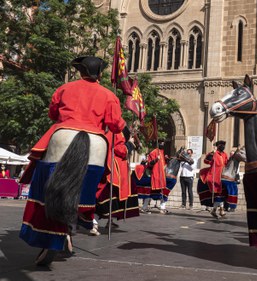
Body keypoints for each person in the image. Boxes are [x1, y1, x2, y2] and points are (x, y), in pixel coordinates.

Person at [19, 56, 126, 261]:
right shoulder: (108, 95)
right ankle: (78, 219)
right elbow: (115, 124)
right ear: (100, 74)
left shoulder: (64, 88)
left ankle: (50, 236)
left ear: (80, 72)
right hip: (96, 141)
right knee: (88, 187)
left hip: (63, 133)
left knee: (46, 183)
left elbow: (53, 113)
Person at [95, 128, 139, 234]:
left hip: (120, 169)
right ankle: (94, 222)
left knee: (115, 198)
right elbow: (120, 149)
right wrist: (129, 144)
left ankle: (110, 220)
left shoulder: (112, 131)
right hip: (115, 169)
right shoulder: (116, 132)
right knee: (105, 196)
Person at [201, 140, 228, 218]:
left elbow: (227, 163)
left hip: (222, 175)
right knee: (218, 193)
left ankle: (215, 210)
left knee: (222, 194)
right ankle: (221, 210)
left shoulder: (225, 154)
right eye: (221, 145)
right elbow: (206, 161)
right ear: (218, 146)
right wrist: (211, 155)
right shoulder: (213, 154)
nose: (223, 147)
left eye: (224, 145)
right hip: (214, 175)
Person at [147, 139, 168, 214]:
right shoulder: (154, 152)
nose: (162, 144)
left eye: (163, 143)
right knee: (150, 192)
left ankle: (162, 207)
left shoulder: (162, 153)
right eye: (161, 143)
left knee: (163, 192)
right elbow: (149, 164)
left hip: (162, 176)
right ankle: (145, 206)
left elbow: (164, 165)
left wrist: (166, 159)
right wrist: (156, 159)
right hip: (155, 175)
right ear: (158, 143)